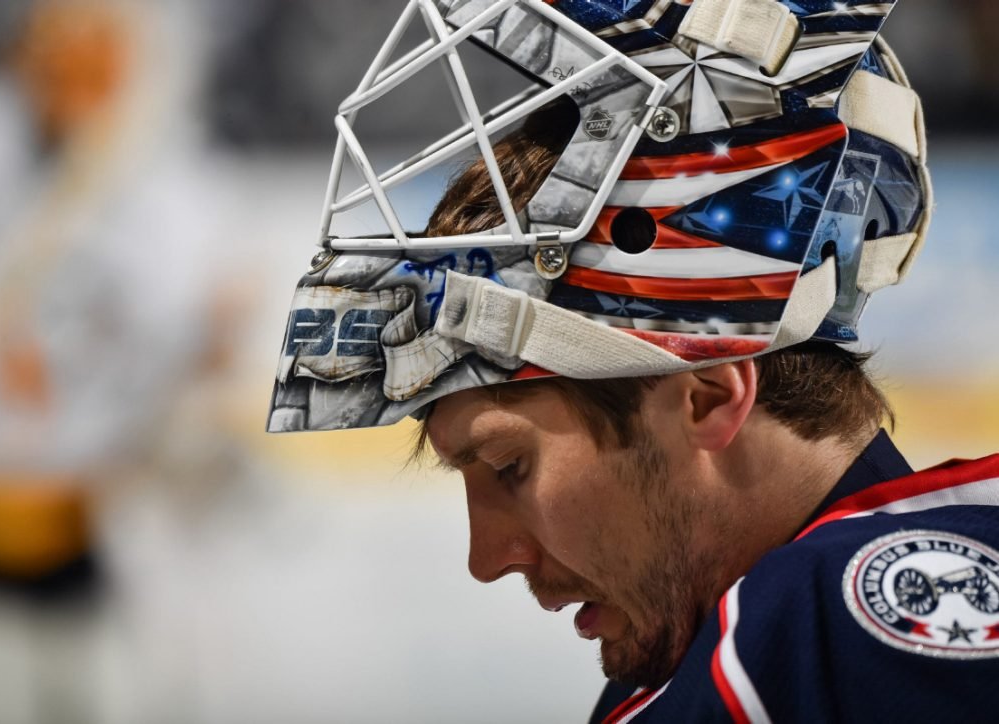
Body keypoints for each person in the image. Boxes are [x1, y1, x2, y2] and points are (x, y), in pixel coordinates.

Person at [268, 1, 999, 720]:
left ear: (707, 396)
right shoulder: (729, 645)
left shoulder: (835, 623)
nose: (487, 558)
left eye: (509, 465)